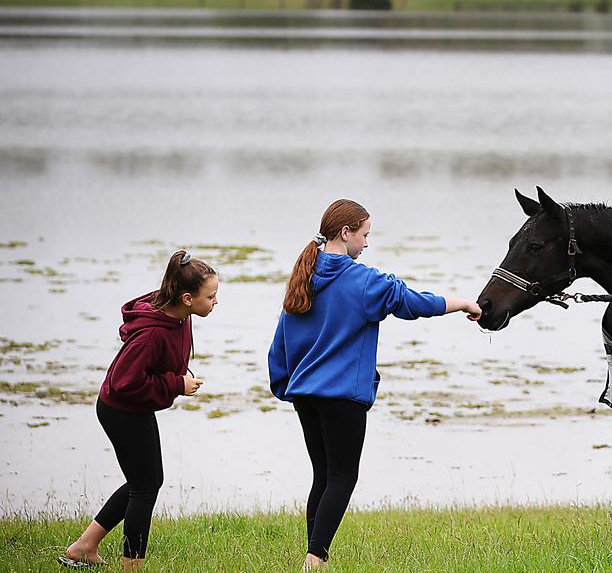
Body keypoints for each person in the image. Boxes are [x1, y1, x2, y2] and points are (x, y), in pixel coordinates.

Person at [267, 199, 482, 571]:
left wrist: (287, 386)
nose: (367, 244)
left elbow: (281, 342)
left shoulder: (304, 273)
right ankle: (315, 559)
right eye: (365, 235)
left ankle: (312, 555)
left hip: (305, 396)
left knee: (323, 475)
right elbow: (414, 303)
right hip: (342, 398)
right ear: (346, 233)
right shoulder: (365, 281)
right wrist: (463, 302)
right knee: (342, 477)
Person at [61, 251, 219, 570]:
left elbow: (164, 360)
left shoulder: (179, 314)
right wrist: (176, 384)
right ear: (187, 298)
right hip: (120, 410)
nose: (216, 302)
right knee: (145, 487)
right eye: (211, 296)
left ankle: (84, 547)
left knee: (145, 482)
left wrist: (178, 374)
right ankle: (132, 566)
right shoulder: (150, 333)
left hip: (134, 408)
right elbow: (123, 383)